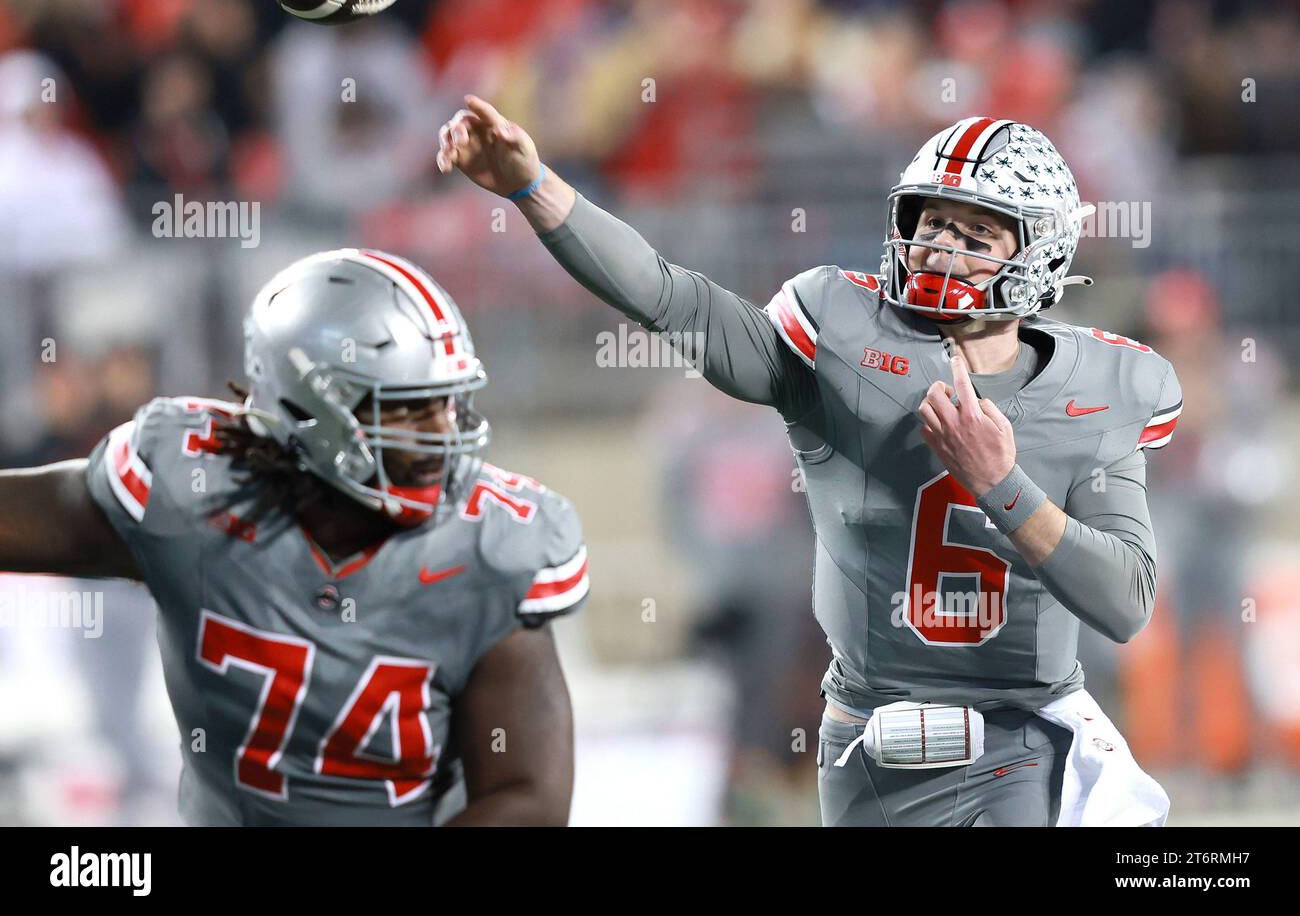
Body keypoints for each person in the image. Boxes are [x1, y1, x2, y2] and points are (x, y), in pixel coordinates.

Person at [438, 101, 1181, 827]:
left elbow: (1124, 602)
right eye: (932, 221)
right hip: (867, 739)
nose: (940, 246)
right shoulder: (839, 329)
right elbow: (673, 299)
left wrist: (1002, 487)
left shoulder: (1101, 386)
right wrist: (535, 189)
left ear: (1040, 251)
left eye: (977, 231)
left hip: (1022, 739)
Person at [0, 248, 588, 826]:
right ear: (309, 408)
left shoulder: (487, 549)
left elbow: (527, 797)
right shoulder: (194, 493)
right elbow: (21, 518)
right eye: (408, 410)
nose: (443, 435)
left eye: (447, 403)